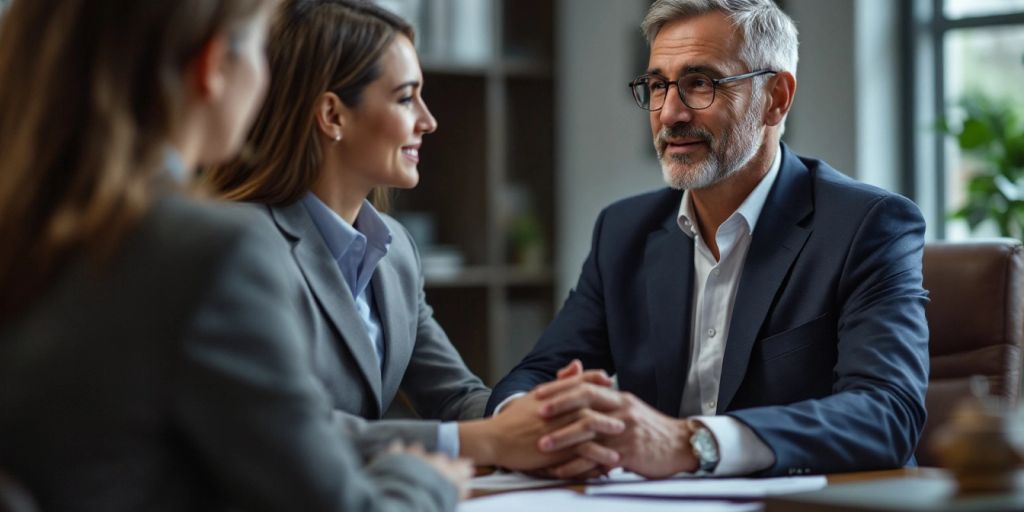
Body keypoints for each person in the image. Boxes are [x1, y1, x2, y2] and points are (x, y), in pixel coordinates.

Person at [0, 0, 471, 510]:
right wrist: (426, 476)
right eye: (259, 52)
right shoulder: (205, 250)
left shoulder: (34, 230)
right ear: (213, 67)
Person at [488, 0, 930, 480]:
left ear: (776, 97)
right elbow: (538, 374)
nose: (670, 113)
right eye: (658, 85)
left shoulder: (868, 226)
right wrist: (529, 426)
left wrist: (692, 443)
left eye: (700, 83)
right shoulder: (623, 232)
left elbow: (888, 414)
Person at [204, 0, 622, 472]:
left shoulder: (395, 250)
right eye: (406, 98)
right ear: (332, 115)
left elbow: (454, 396)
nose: (428, 120)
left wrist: (544, 423)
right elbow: (291, 430)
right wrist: (485, 441)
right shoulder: (242, 248)